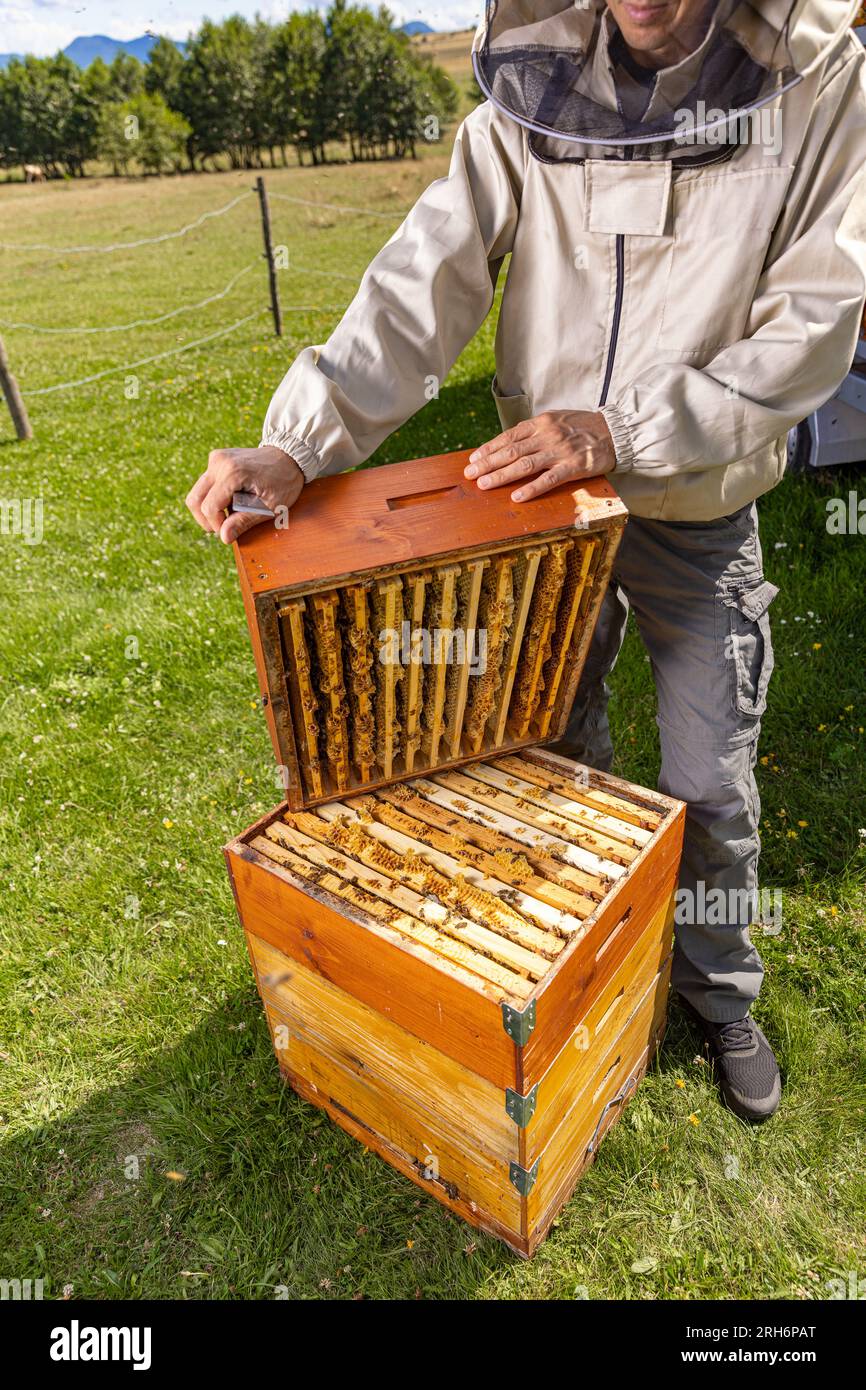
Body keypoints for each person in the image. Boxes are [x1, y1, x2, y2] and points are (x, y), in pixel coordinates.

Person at [186, 1, 866, 1121]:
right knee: (549, 749)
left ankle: (715, 988)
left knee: (707, 780)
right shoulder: (534, 75)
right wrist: (301, 439)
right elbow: (427, 272)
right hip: (542, 508)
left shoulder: (821, 82)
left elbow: (813, 324)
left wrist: (621, 432)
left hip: (696, 497)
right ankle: (575, 978)